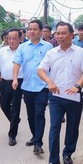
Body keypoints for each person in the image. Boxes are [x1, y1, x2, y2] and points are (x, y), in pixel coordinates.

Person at [38, 21, 83, 164]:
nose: (60, 36)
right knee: (54, 127)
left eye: (63, 33)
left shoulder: (81, 53)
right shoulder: (51, 53)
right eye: (58, 33)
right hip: (56, 97)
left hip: (74, 97)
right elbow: (40, 70)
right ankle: (53, 159)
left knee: (72, 128)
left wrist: (78, 85)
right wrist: (49, 82)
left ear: (71, 34)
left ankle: (68, 153)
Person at [12, 19, 53, 154]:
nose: (32, 31)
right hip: (27, 86)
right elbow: (17, 64)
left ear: (41, 31)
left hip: (42, 87)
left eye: (35, 29)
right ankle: (35, 136)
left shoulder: (48, 47)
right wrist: (15, 79)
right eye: (30, 29)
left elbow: (52, 65)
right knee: (30, 115)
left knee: (39, 113)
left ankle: (38, 143)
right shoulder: (23, 47)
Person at [0, 28, 23, 146]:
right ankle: (15, 120)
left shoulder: (23, 50)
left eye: (14, 38)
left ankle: (12, 135)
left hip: (18, 82)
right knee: (4, 105)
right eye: (9, 38)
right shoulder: (3, 50)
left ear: (19, 38)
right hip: (4, 82)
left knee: (15, 108)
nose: (11, 41)